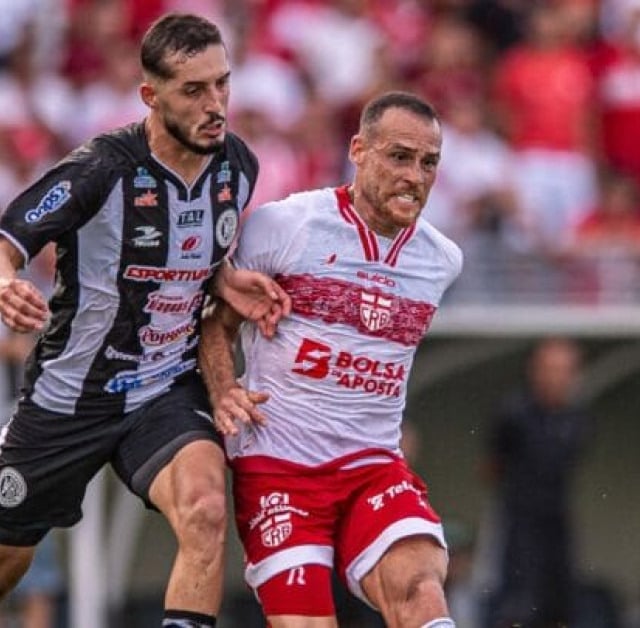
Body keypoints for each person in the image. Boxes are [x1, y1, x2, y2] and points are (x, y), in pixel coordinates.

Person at [0, 12, 290, 628]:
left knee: (206, 510)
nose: (215, 104)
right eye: (194, 90)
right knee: (8, 556)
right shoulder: (100, 168)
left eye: (222, 84)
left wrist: (223, 276)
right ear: (150, 97)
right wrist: (5, 283)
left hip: (163, 388)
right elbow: (7, 241)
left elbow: (193, 248)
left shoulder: (238, 167)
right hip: (71, 394)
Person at [200, 91, 463, 628]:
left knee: (421, 591)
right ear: (358, 150)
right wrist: (224, 388)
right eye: (399, 156)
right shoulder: (284, 225)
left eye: (428, 162)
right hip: (278, 467)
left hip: (372, 467)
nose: (414, 176)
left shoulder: (441, 260)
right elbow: (215, 321)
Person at [483, 337, 592, 628]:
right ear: (534, 370)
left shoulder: (576, 419)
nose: (557, 378)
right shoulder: (512, 413)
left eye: (565, 370)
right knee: (517, 603)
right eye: (551, 369)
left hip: (557, 519)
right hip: (517, 522)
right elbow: (492, 466)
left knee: (561, 601)